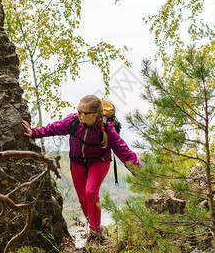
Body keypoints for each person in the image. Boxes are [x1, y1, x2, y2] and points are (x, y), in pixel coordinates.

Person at [22, 95, 141, 243]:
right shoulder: (74, 121)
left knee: (91, 192)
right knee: (83, 199)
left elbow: (124, 151)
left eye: (83, 113)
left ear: (94, 115)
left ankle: (95, 235)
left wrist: (141, 173)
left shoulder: (106, 128)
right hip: (77, 162)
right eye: (78, 111)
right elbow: (55, 128)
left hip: (99, 162)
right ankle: (97, 227)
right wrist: (34, 132)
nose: (79, 115)